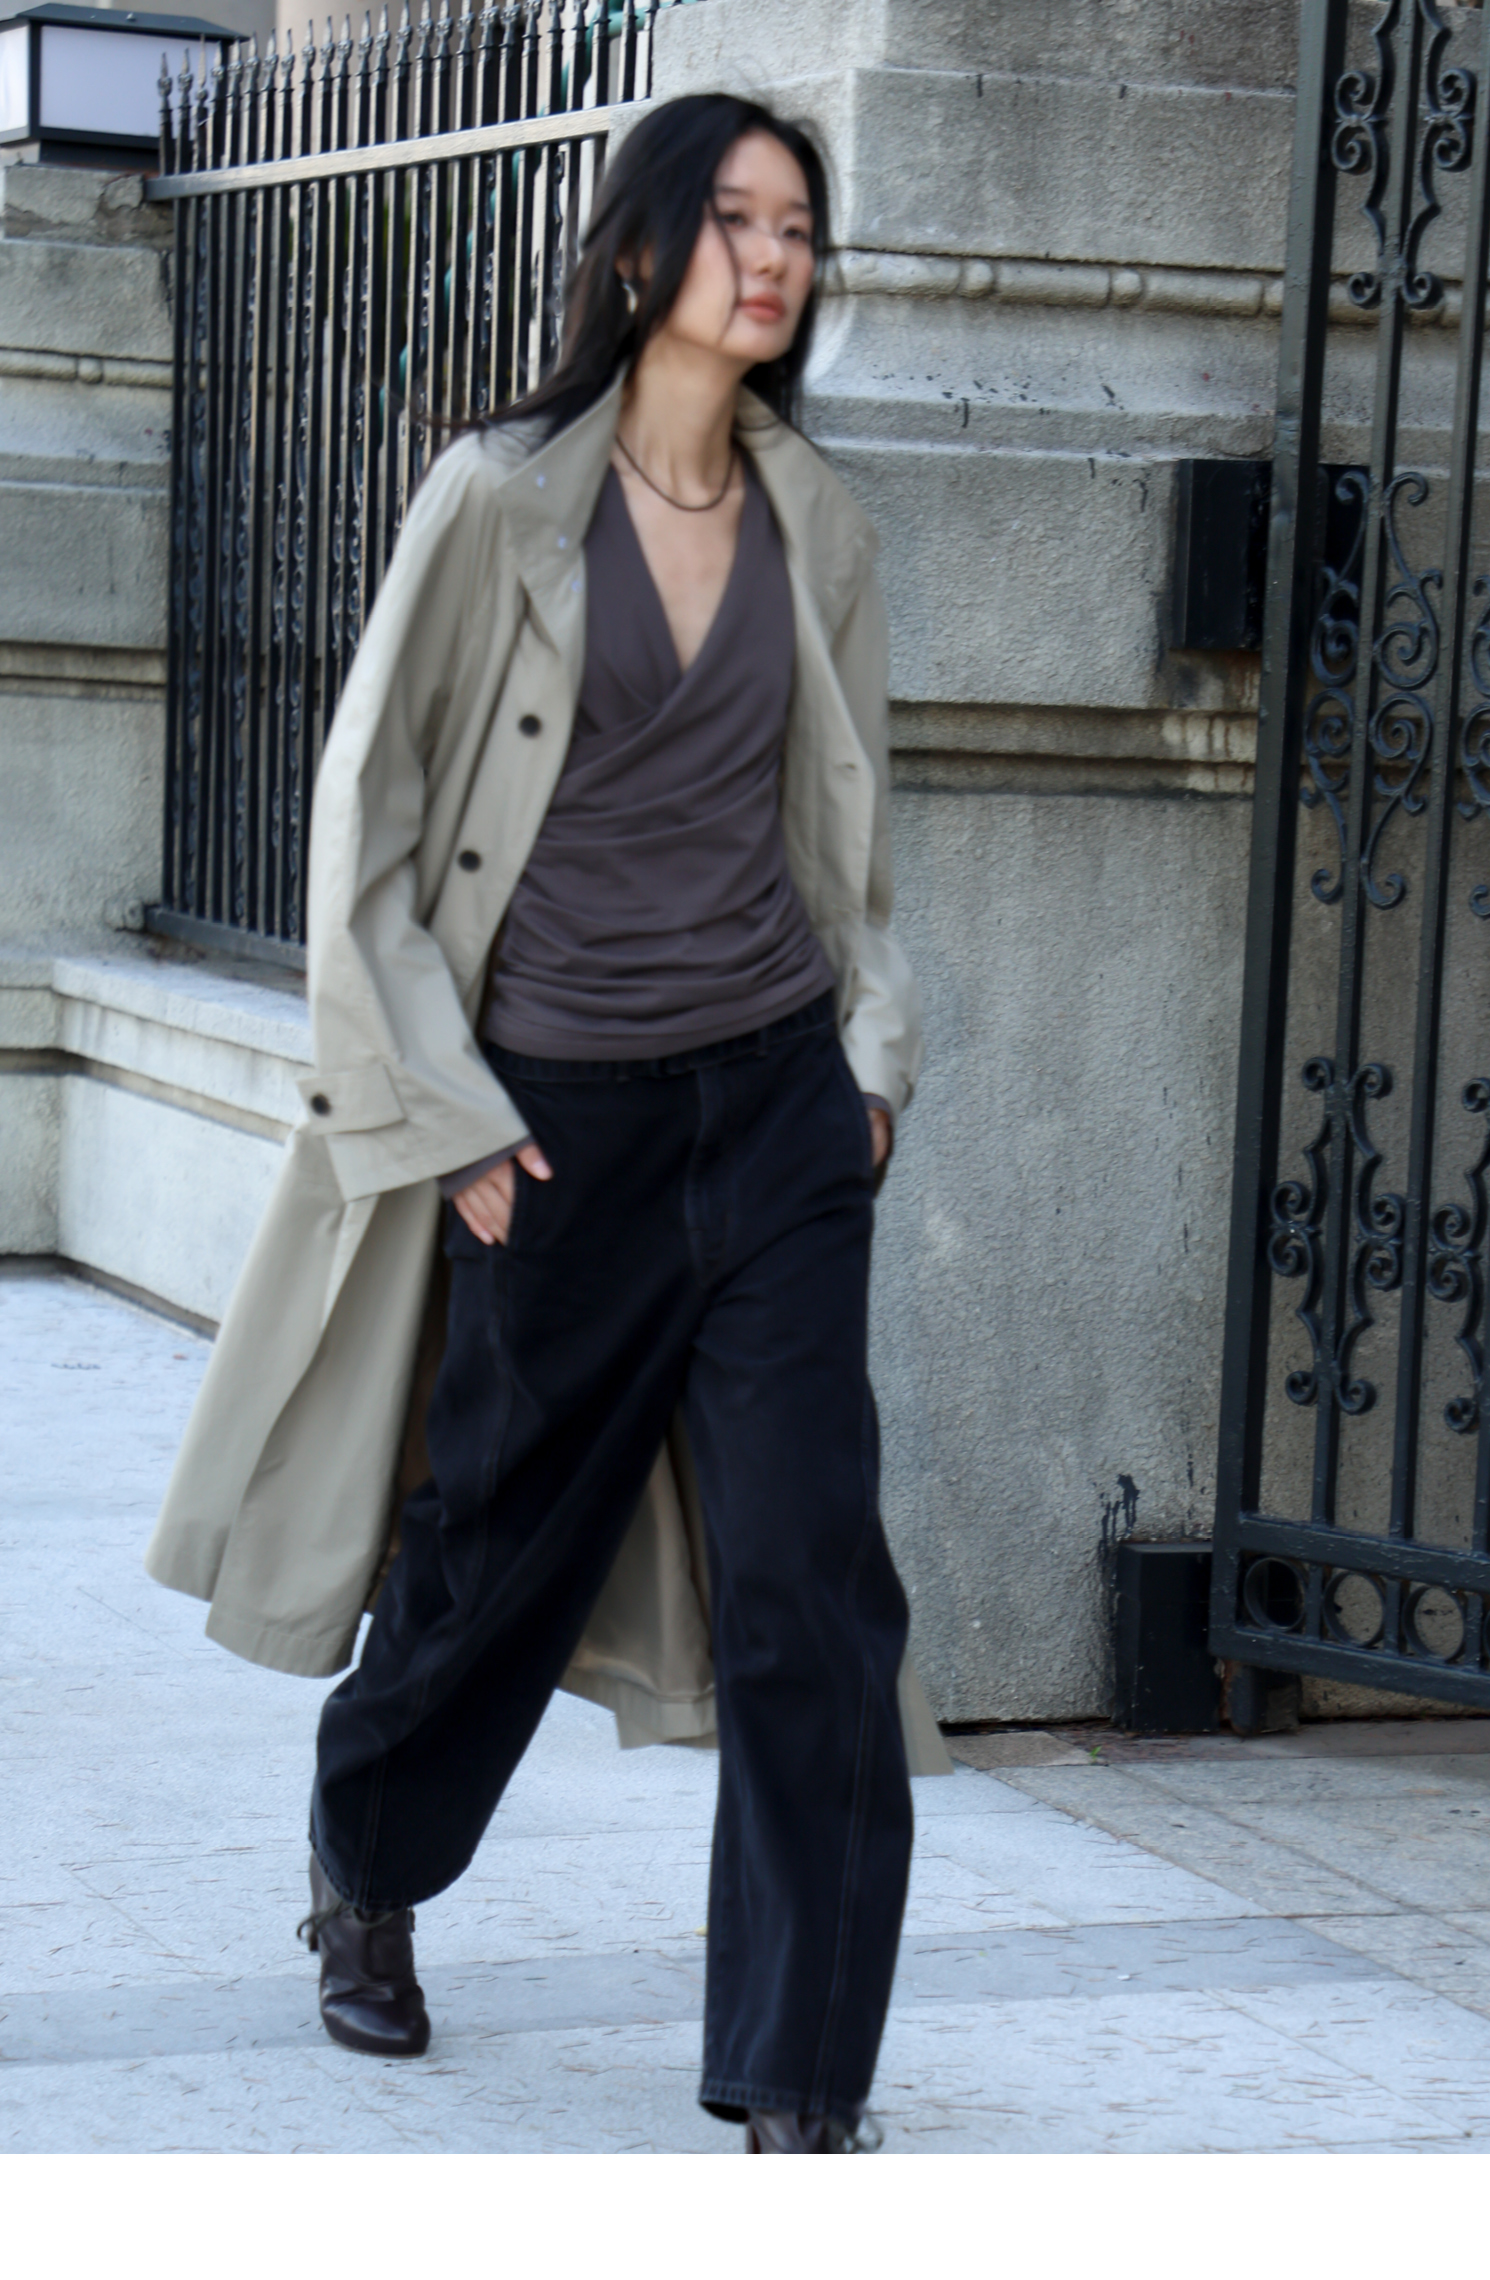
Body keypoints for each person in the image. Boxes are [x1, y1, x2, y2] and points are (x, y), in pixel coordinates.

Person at [146, 90, 945, 2155]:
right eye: (738, 221)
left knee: (811, 1579)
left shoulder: (818, 526)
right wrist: (453, 1123)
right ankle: (369, 1856)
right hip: (557, 1131)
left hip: (777, 1114)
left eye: (800, 229)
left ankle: (800, 2072)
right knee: (492, 1563)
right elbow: (370, 829)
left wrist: (867, 1072)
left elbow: (851, 853)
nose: (775, 259)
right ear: (641, 250)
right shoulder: (499, 502)